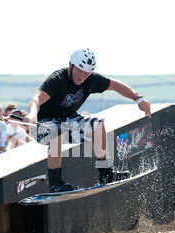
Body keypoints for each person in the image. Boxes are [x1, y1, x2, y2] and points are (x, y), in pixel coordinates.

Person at [26, 49, 152, 193]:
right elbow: (36, 99)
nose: (82, 76)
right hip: (41, 125)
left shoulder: (91, 79)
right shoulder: (57, 79)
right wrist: (31, 114)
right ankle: (55, 182)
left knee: (97, 124)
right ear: (70, 65)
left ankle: (106, 174)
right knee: (57, 130)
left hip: (67, 120)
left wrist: (139, 99)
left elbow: (116, 85)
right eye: (79, 71)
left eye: (86, 73)